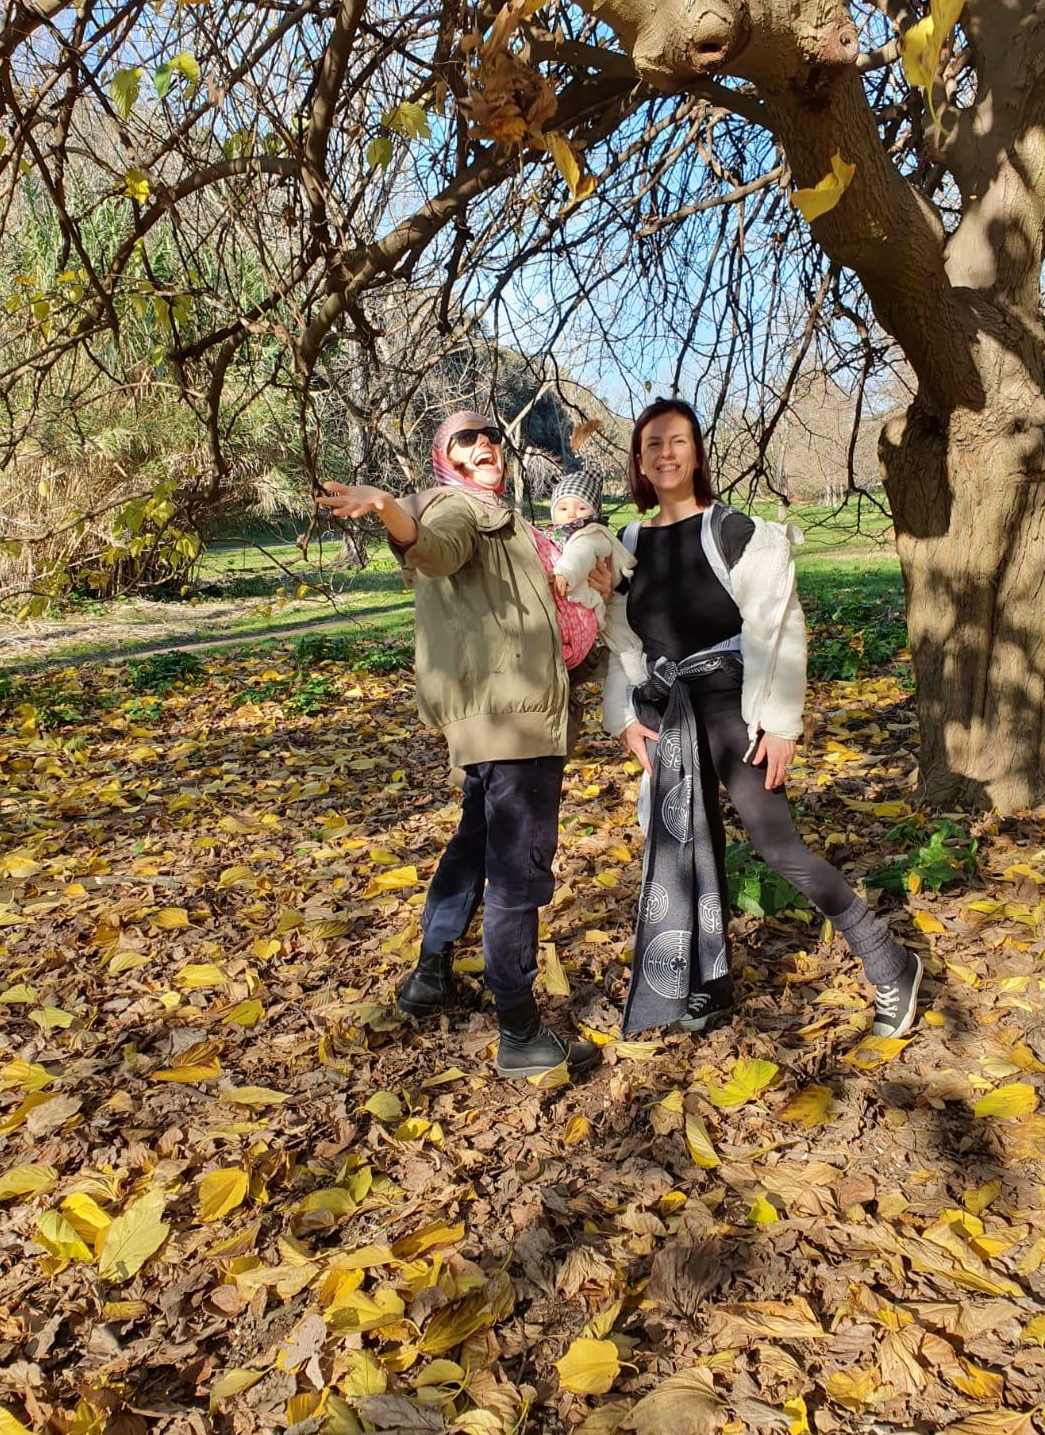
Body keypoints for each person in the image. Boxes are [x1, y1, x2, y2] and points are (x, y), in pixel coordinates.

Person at [602, 397, 922, 1039]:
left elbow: (779, 629)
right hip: (666, 716)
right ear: (638, 461)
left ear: (696, 454)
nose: (665, 454)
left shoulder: (736, 533)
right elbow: (620, 639)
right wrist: (623, 716)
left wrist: (780, 724)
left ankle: (889, 960)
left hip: (732, 710)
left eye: (678, 442)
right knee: (694, 850)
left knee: (777, 845)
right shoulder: (627, 545)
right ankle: (710, 986)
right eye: (652, 444)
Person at [317, 411, 606, 1082]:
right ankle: (520, 1032)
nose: (485, 447)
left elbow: (548, 616)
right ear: (443, 457)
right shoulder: (458, 507)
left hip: (501, 715)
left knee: (476, 845)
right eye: (465, 441)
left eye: (491, 439)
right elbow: (435, 546)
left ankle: (429, 976)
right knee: (517, 869)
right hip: (512, 719)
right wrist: (390, 508)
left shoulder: (508, 523)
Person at [546, 469, 644, 684]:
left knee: (626, 648)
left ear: (594, 512)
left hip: (602, 604)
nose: (571, 514)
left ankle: (642, 684)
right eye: (562, 508)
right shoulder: (555, 538)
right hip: (584, 603)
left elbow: (581, 553)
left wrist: (564, 572)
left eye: (581, 507)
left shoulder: (592, 533)